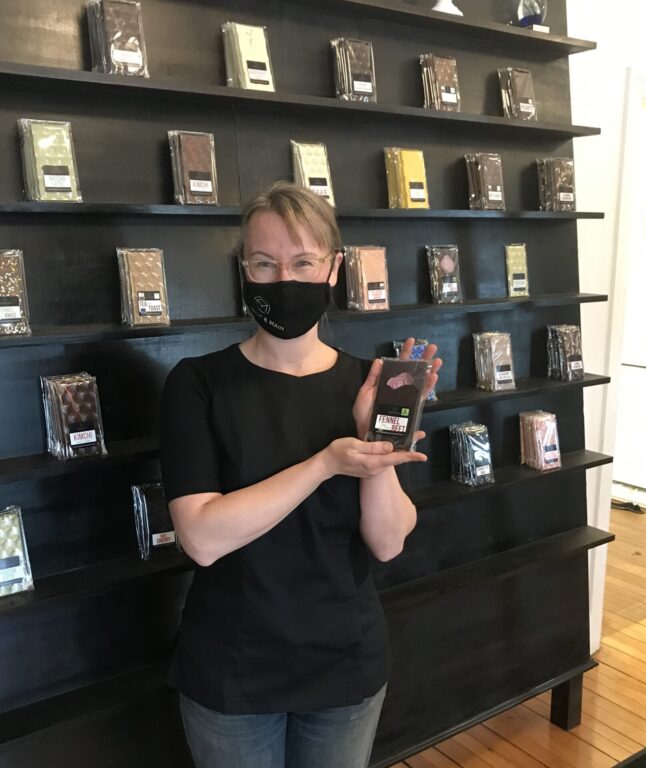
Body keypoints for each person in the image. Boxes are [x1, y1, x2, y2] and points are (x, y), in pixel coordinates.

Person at [159, 181, 442, 768]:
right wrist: (323, 464)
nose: (283, 279)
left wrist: (374, 445)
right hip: (232, 669)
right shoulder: (197, 384)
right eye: (264, 263)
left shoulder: (374, 381)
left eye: (303, 262)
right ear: (244, 270)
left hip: (344, 664)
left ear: (334, 268)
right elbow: (202, 538)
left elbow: (388, 542)